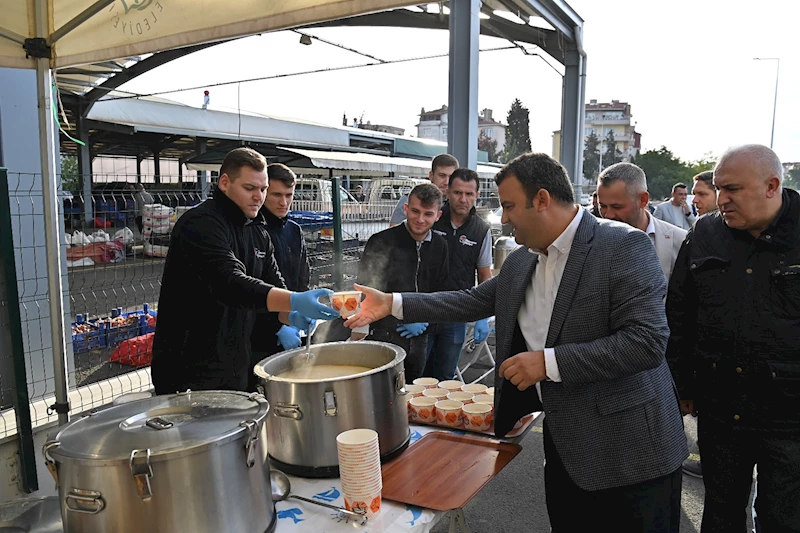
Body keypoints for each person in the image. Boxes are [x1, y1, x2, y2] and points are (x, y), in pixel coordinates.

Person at [347, 153, 687, 532]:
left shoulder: (622, 246)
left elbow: (646, 342)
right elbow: (471, 299)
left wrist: (547, 363)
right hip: (567, 453)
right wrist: (392, 304)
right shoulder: (525, 260)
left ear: (541, 200)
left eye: (509, 206)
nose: (504, 218)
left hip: (631, 458)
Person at [666, 144, 800, 533]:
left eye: (733, 190)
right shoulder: (705, 234)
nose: (721, 200)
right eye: (719, 189)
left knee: (783, 518)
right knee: (721, 513)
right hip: (721, 408)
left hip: (789, 416)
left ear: (772, 185)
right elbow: (680, 312)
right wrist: (683, 383)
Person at [151, 148, 337, 394]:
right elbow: (230, 283)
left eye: (262, 189)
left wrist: (290, 314)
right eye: (250, 188)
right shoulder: (201, 223)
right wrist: (293, 300)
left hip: (235, 363)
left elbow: (273, 287)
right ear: (225, 183)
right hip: (189, 369)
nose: (258, 197)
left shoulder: (258, 231)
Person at [355, 183, 452, 381]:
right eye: (415, 211)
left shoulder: (440, 246)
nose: (420, 219)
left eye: (428, 214)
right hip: (384, 334)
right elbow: (366, 289)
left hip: (419, 335)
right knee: (382, 391)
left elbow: (442, 291)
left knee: (412, 388)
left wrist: (425, 318)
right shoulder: (381, 241)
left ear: (438, 216)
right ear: (406, 209)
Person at [424, 168, 493, 381]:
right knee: (417, 375)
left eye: (469, 194)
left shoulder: (481, 230)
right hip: (424, 309)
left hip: (456, 314)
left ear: (477, 196)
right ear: (448, 192)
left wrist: (482, 315)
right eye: (457, 193)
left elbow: (484, 275)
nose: (463, 199)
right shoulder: (431, 220)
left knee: (445, 377)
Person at [248, 163, 310, 390]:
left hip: (291, 326)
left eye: (288, 195)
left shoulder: (294, 230)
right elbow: (248, 289)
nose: (283, 202)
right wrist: (277, 326)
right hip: (256, 335)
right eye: (276, 195)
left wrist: (302, 311)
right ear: (264, 192)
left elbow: (302, 279)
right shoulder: (252, 230)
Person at [597, 162, 686, 281]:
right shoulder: (588, 241)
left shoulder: (681, 241)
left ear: (643, 200)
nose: (608, 215)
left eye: (617, 207)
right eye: (602, 206)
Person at [389, 153, 458, 226]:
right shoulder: (409, 199)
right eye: (442, 176)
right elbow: (394, 231)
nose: (446, 182)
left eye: (451, 177)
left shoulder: (457, 204)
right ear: (431, 175)